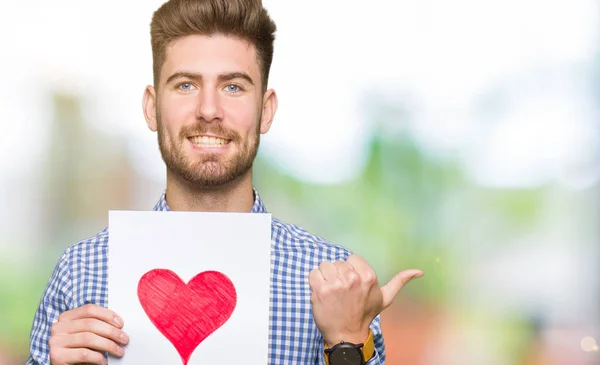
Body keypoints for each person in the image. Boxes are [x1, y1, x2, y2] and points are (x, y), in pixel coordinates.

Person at [26, 0, 423, 364]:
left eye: (233, 86)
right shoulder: (81, 273)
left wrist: (346, 343)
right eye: (186, 84)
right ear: (151, 107)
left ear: (265, 111)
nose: (209, 110)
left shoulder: (338, 289)